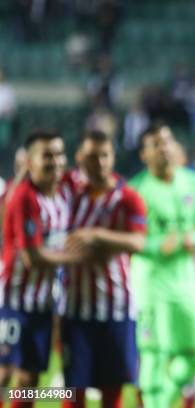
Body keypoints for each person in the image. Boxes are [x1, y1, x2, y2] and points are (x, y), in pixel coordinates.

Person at [129, 123, 195, 408]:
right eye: (156, 143)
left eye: (167, 140)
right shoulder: (136, 191)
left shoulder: (193, 183)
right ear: (144, 154)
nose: (164, 147)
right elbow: (131, 239)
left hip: (186, 282)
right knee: (154, 353)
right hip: (152, 283)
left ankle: (161, 401)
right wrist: (157, 245)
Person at [58, 130, 147, 407]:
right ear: (79, 158)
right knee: (73, 390)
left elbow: (138, 241)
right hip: (75, 308)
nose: (99, 162)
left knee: (113, 389)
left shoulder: (128, 197)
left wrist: (95, 236)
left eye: (104, 155)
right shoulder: (67, 191)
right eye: (92, 156)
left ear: (113, 157)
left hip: (117, 307)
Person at [0, 130, 89, 401]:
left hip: (43, 303)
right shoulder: (24, 196)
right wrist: (76, 258)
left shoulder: (64, 192)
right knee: (4, 372)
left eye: (59, 154)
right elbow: (32, 256)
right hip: (13, 301)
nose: (55, 161)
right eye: (47, 155)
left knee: (30, 378)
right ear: (30, 161)